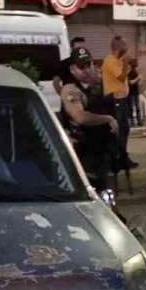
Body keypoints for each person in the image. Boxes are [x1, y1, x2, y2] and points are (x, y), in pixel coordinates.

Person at [59, 48, 120, 190]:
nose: (86, 70)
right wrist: (108, 119)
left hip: (101, 152)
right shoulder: (71, 89)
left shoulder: (96, 86)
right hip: (83, 155)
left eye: (88, 64)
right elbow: (79, 117)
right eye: (81, 67)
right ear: (73, 69)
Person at [101, 36, 137, 168]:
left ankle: (122, 157)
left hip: (122, 99)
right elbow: (121, 78)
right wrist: (126, 63)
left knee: (124, 130)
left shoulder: (117, 61)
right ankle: (116, 159)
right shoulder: (110, 60)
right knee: (118, 130)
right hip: (115, 100)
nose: (127, 49)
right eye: (125, 46)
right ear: (119, 47)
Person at [127, 58, 142, 127]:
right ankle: (132, 122)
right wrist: (138, 78)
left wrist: (139, 80)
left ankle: (139, 121)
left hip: (136, 92)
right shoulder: (128, 73)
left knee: (138, 107)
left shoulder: (135, 72)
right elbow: (131, 82)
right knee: (131, 108)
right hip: (130, 93)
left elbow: (138, 83)